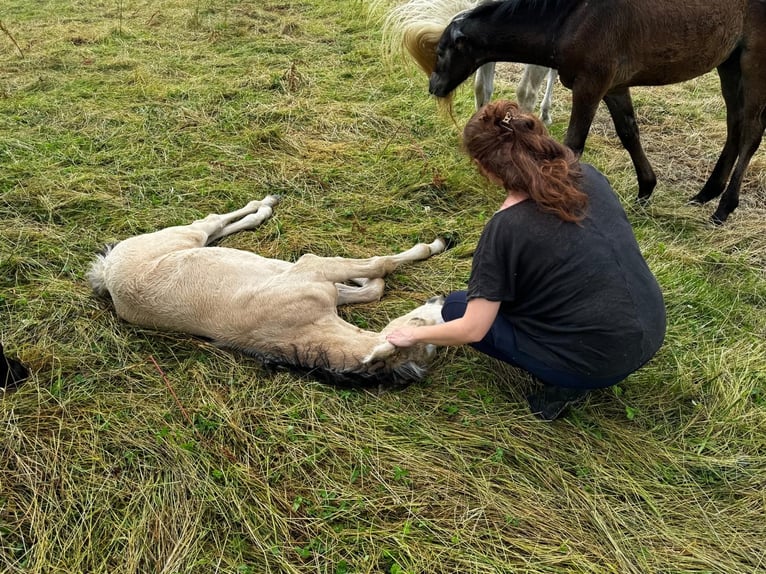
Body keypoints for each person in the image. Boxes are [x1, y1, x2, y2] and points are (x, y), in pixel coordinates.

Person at [386, 100, 666, 421]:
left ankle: (563, 385)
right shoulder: (588, 174)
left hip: (596, 365)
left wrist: (413, 335)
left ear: (485, 167)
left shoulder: (506, 226)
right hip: (653, 326)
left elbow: (472, 330)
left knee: (456, 307)